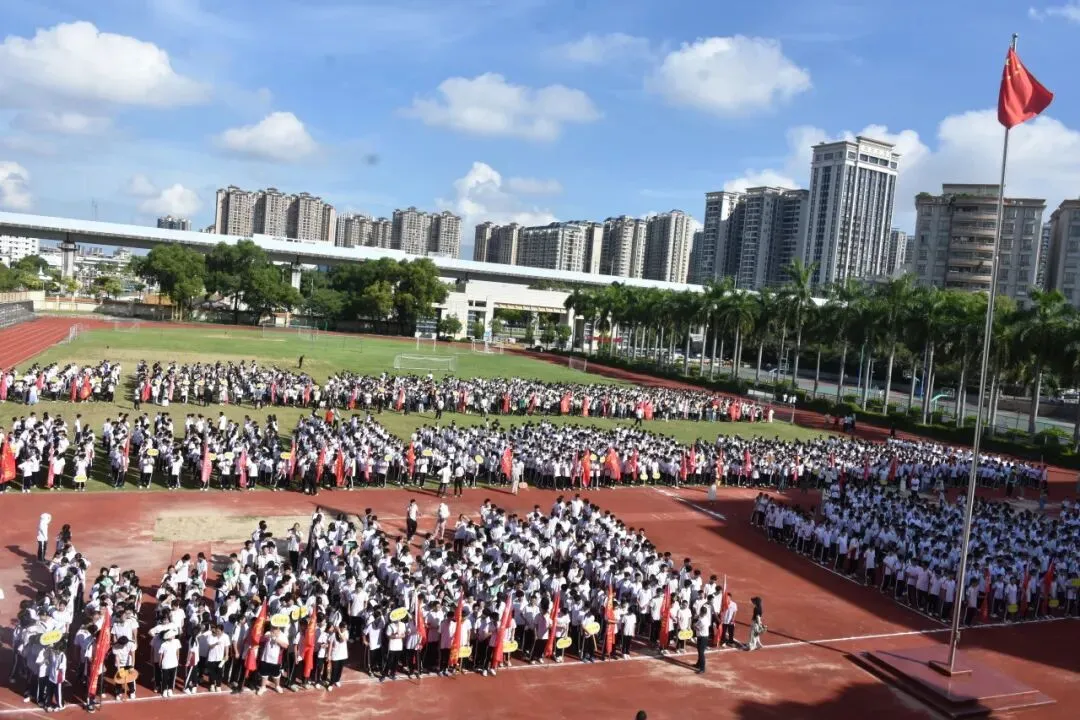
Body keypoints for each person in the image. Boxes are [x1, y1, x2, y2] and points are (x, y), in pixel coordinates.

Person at [693, 605, 710, 674]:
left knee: (701, 652)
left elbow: (696, 627)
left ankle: (702, 668)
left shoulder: (702, 620)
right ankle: (698, 664)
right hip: (703, 637)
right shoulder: (706, 618)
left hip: (702, 637)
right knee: (699, 651)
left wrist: (694, 625)